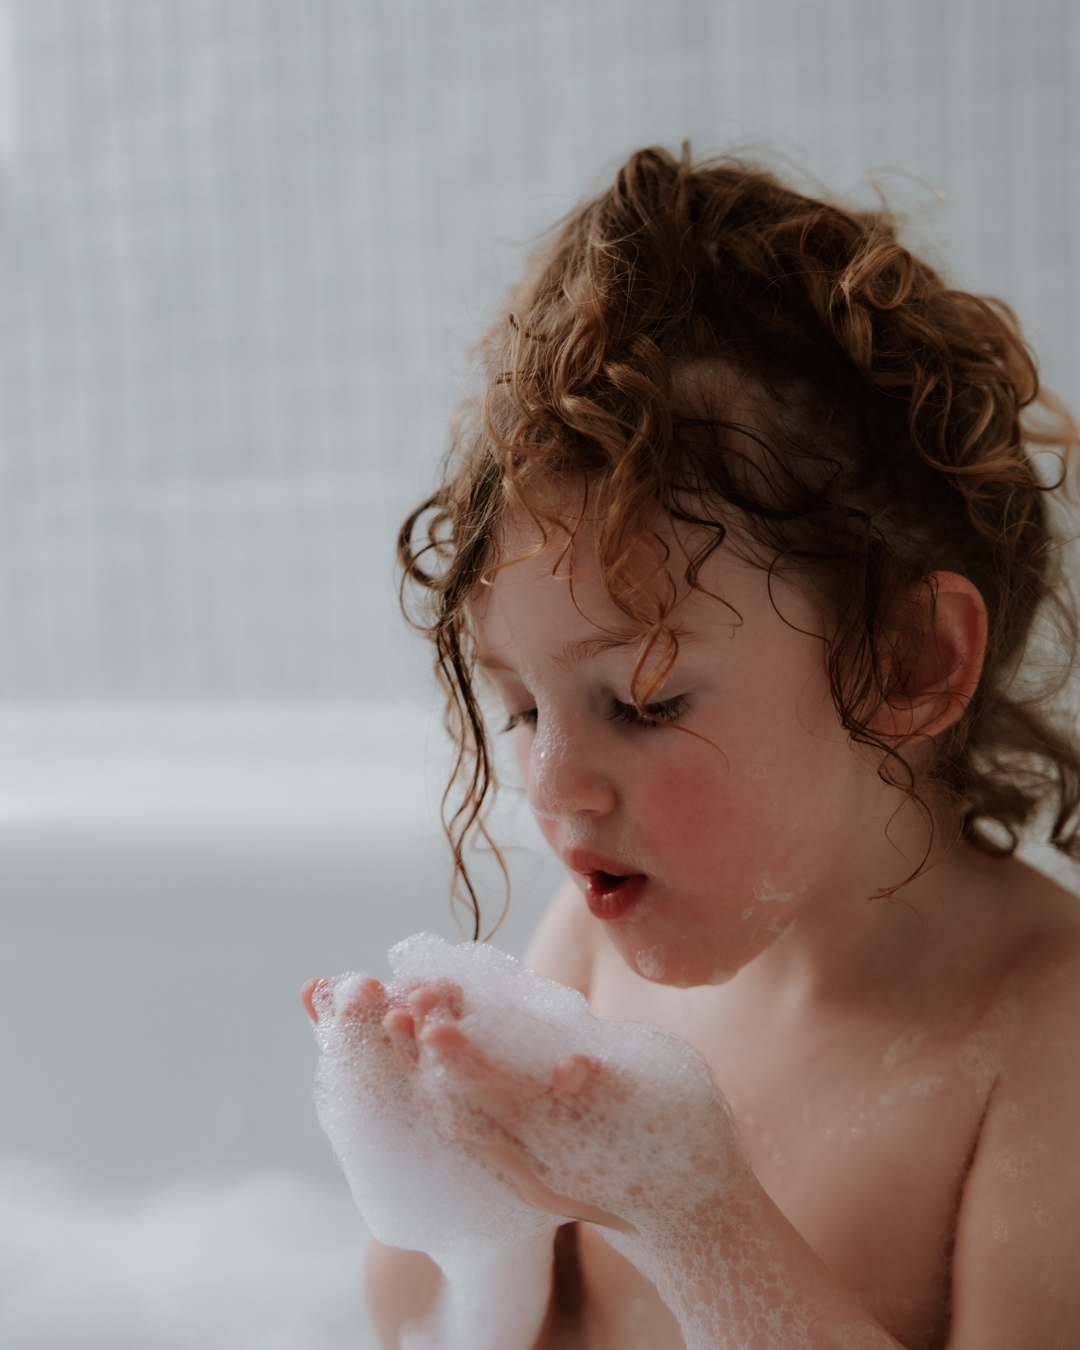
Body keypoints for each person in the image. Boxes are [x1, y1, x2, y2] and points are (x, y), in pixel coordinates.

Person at [306, 146, 1080, 1348]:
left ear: (909, 663)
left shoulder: (1040, 1036)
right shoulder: (594, 961)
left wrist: (703, 1221)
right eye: (521, 708)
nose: (554, 787)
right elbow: (431, 1325)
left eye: (643, 701)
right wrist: (438, 1171)